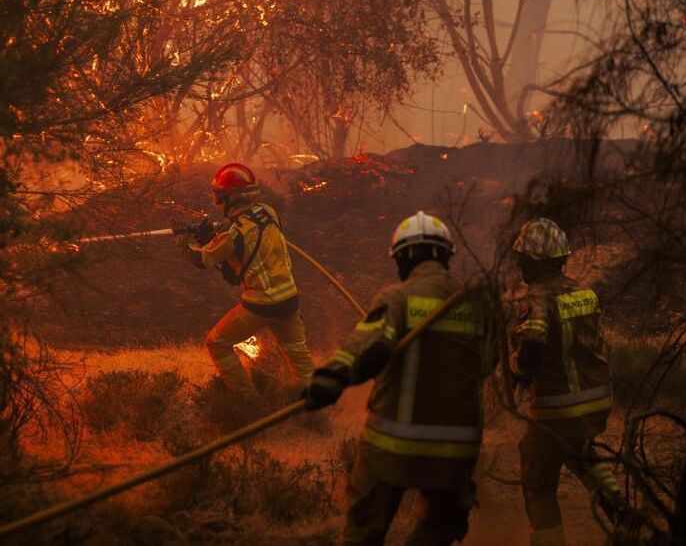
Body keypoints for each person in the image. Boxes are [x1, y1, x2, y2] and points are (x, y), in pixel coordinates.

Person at [304, 211, 487, 546]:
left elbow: (367, 346)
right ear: (447, 255)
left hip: (392, 446)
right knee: (438, 529)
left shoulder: (398, 297)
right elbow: (488, 364)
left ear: (402, 257)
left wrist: (330, 378)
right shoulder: (477, 304)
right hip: (456, 449)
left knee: (364, 530)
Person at [509, 218, 623, 546]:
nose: (519, 264)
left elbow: (532, 348)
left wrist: (517, 369)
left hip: (556, 408)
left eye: (522, 258)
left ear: (534, 261)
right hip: (596, 402)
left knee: (538, 479)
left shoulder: (536, 299)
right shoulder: (584, 293)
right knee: (581, 449)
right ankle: (617, 505)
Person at [179, 162, 315, 401]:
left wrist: (186, 244)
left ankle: (248, 402)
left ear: (231, 198)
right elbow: (248, 243)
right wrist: (213, 234)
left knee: (217, 343)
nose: (216, 201)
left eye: (219, 196)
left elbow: (203, 259)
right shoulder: (268, 212)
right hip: (289, 299)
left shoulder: (234, 233)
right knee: (299, 358)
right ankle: (319, 409)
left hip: (261, 304)